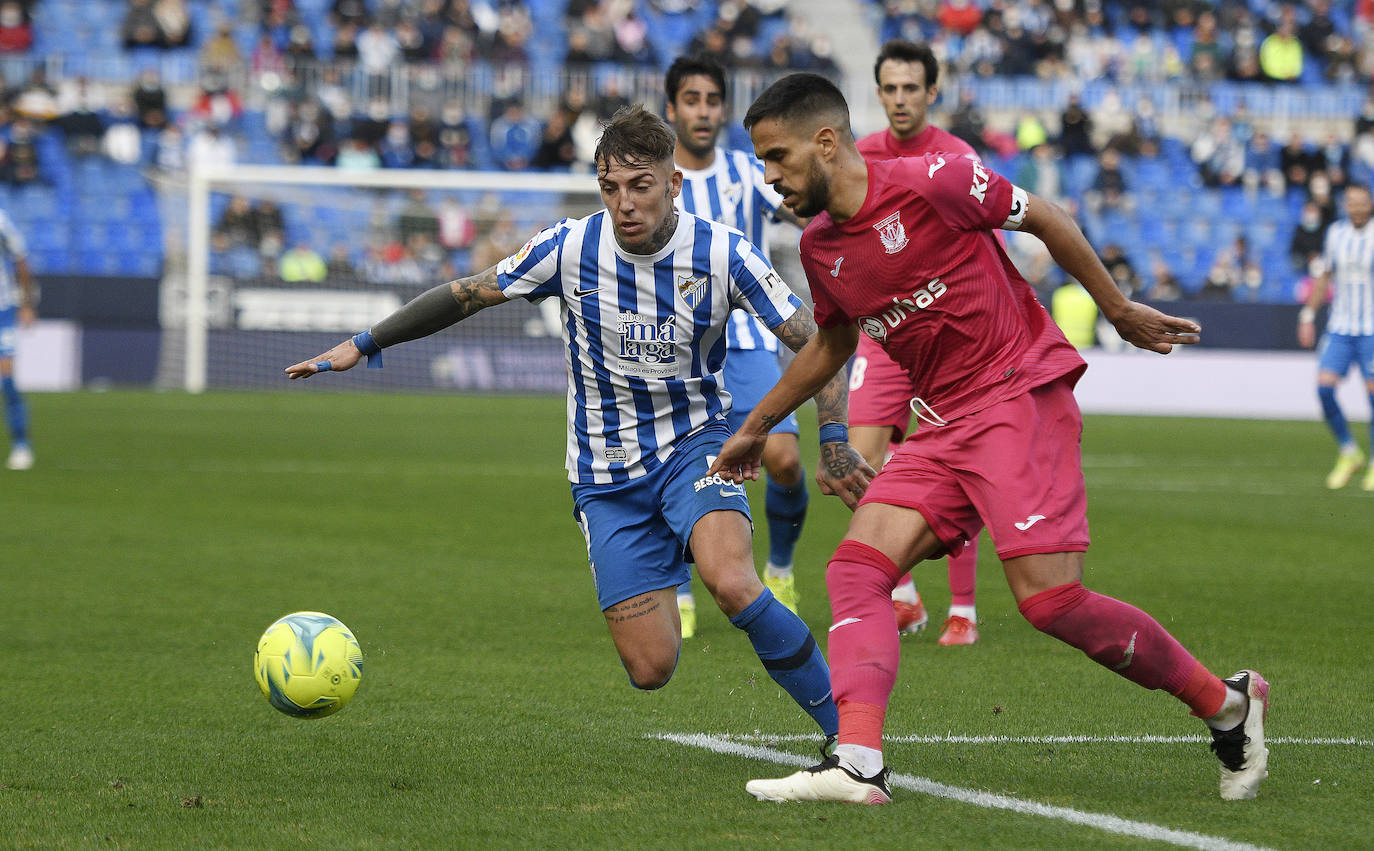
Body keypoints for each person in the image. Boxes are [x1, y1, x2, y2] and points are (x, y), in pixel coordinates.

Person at [714, 73, 1269, 804]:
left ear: (826, 142)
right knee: (855, 569)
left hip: (1018, 394)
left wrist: (1118, 308)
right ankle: (858, 764)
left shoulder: (934, 180)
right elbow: (834, 339)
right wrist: (756, 426)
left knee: (1050, 602)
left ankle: (1229, 705)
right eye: (761, 161)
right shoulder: (821, 247)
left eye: (777, 156)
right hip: (942, 421)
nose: (771, 176)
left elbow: (1046, 217)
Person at [286, 105, 872, 749]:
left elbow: (818, 343)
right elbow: (466, 293)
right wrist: (364, 343)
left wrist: (836, 438)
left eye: (640, 185)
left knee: (732, 582)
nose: (624, 203)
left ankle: (850, 741)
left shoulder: (724, 252)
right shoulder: (569, 247)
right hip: (604, 474)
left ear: (673, 184)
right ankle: (676, 544)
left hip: (697, 450)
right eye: (609, 187)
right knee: (651, 669)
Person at [663, 54, 811, 637]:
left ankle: (779, 569)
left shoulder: (748, 172)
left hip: (748, 339)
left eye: (711, 100)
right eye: (691, 100)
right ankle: (677, 588)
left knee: (784, 459)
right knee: (672, 467)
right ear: (672, 107)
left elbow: (803, 208)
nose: (702, 111)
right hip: (674, 349)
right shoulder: (656, 181)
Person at [853, 39, 982, 646]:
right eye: (890, 88)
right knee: (854, 462)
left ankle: (964, 610)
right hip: (883, 334)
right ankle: (903, 596)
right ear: (878, 92)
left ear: (932, 91)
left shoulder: (957, 158)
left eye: (911, 88)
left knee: (956, 463)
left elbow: (984, 245)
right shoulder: (861, 156)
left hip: (946, 337)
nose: (900, 99)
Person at [1297, 183, 1374, 491]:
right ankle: (1349, 452)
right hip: (1340, 327)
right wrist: (1307, 315)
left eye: (1362, 203)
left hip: (1372, 329)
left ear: (1370, 205)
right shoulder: (1335, 234)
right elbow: (1324, 277)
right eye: (1351, 203)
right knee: (1325, 389)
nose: (1356, 208)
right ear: (1345, 205)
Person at [0, 207, 34, 470]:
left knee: (6, 379)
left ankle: (21, 444)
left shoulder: (1, 219)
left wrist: (26, 304)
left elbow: (20, 258)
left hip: (2, 312)